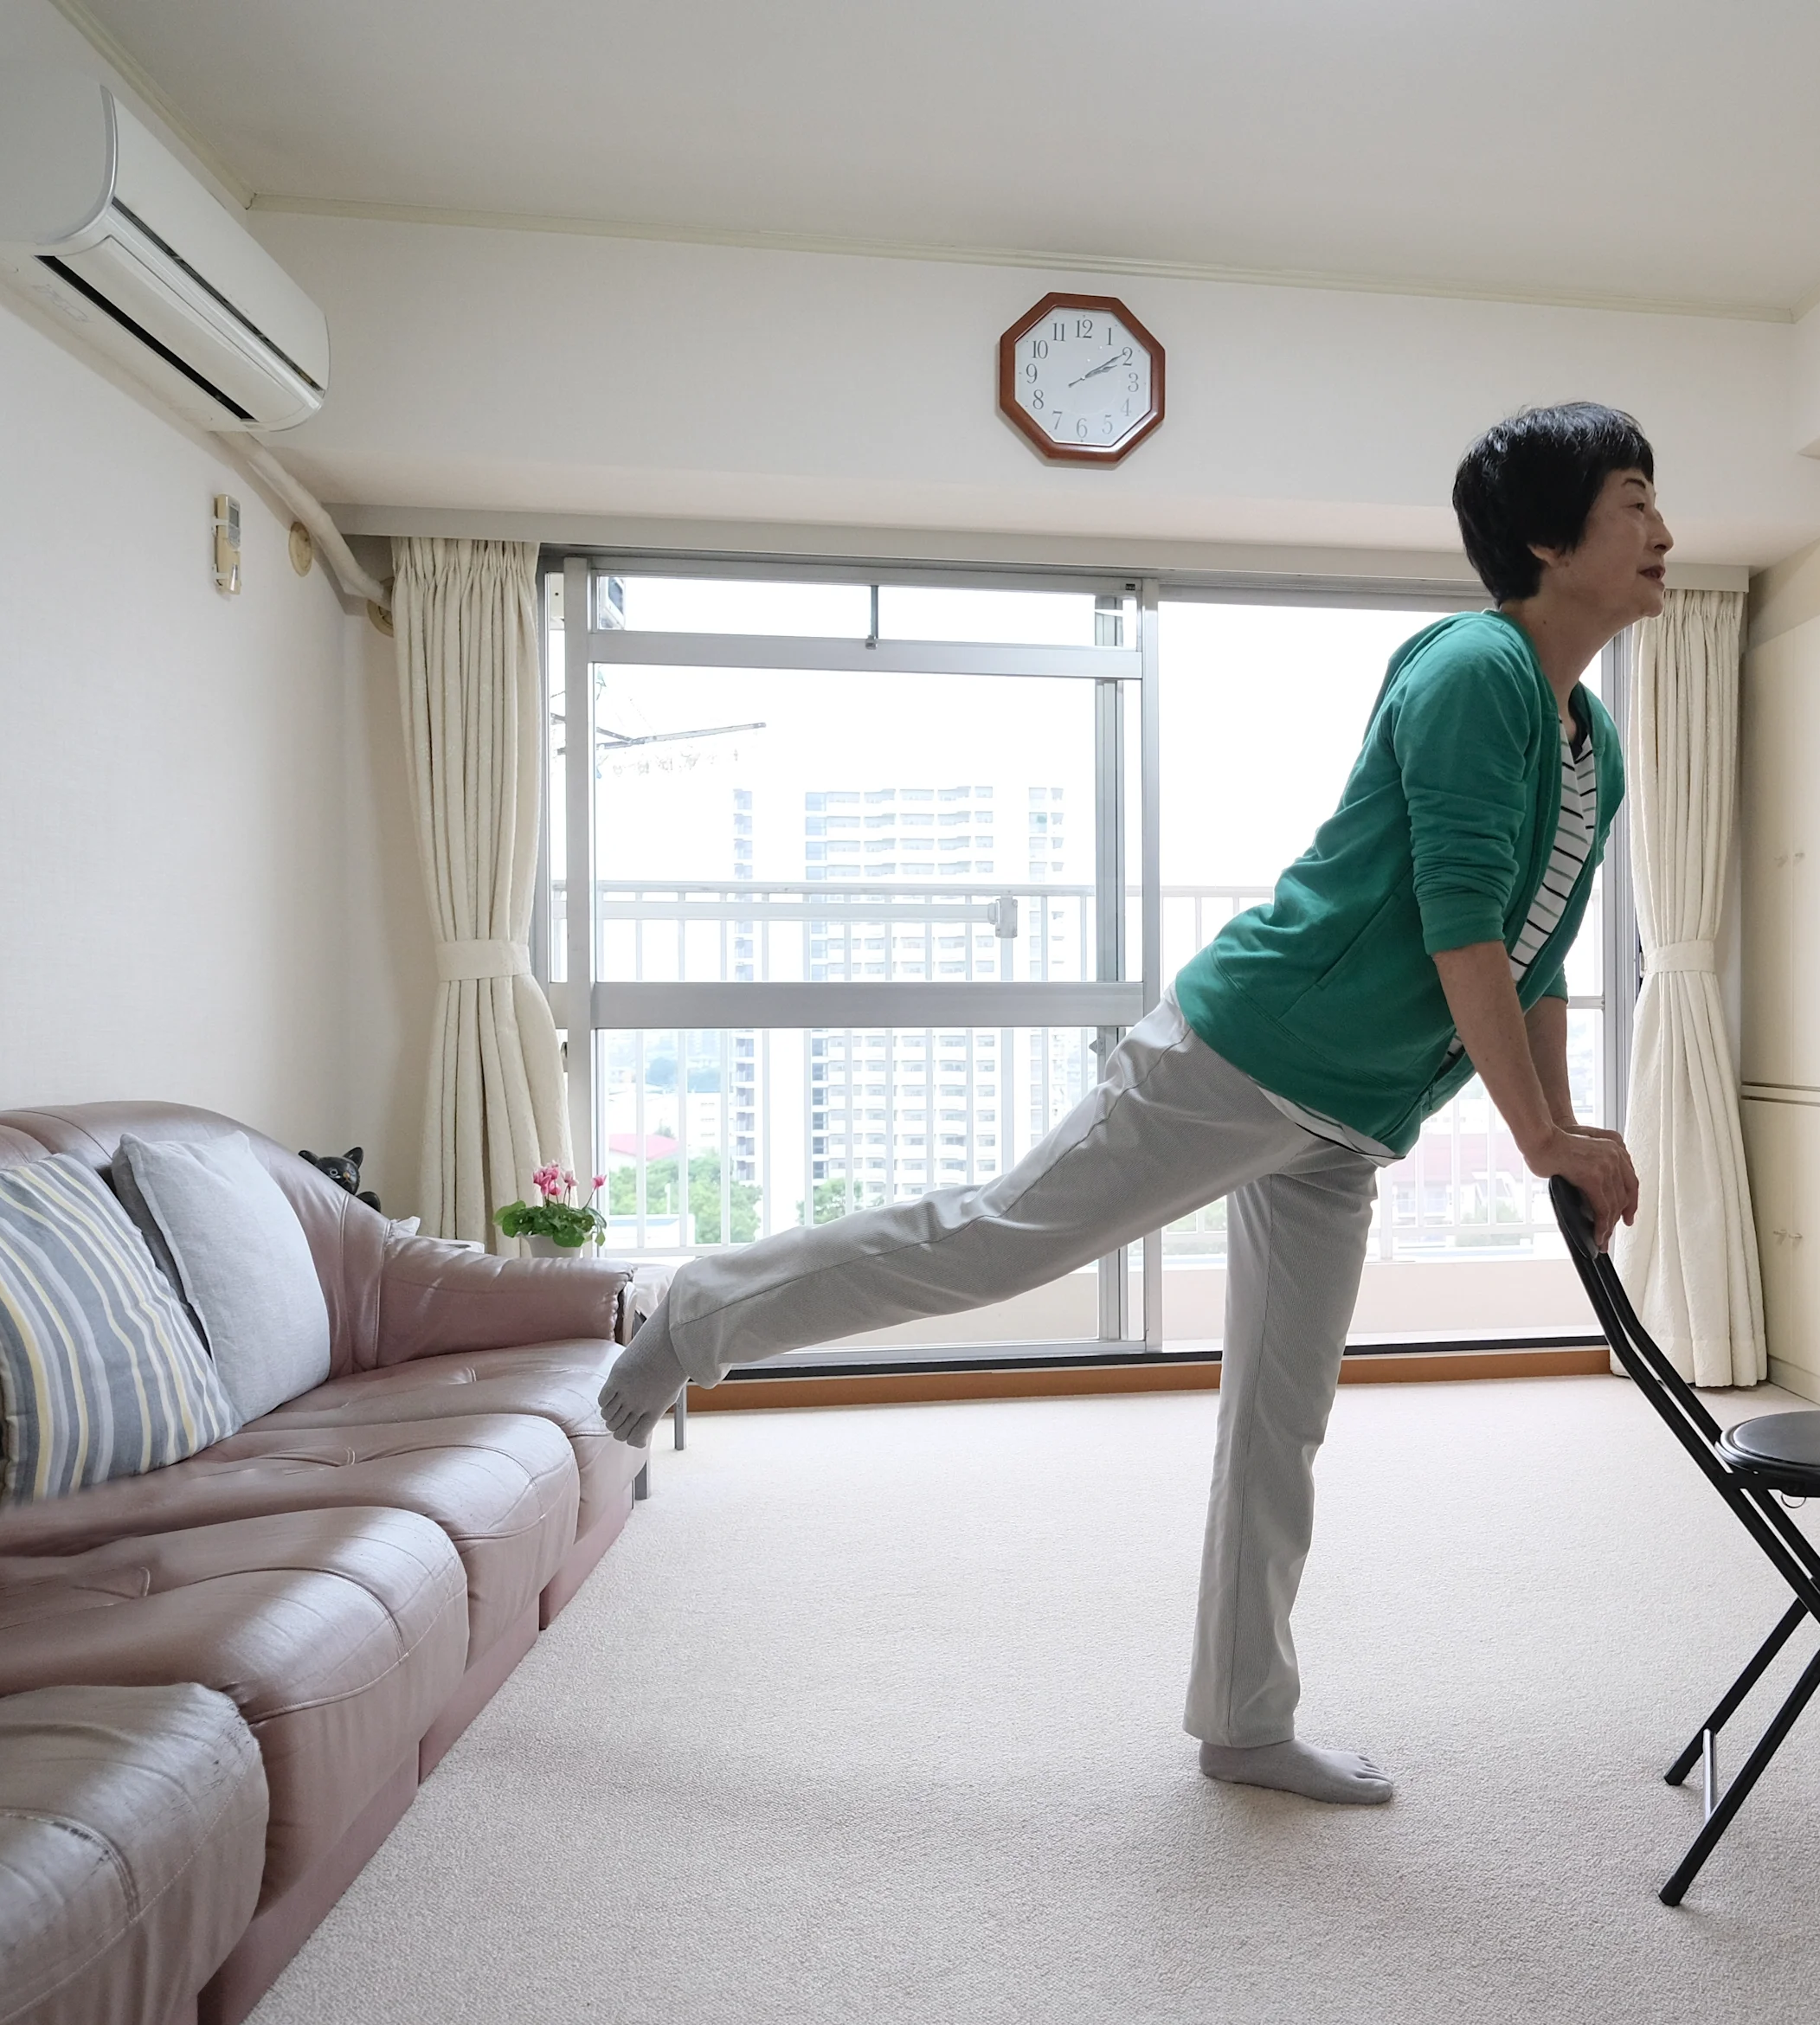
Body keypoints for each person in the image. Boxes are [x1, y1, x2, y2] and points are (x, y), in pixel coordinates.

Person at [597, 401, 1668, 1803]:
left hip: (1345, 1118)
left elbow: (1539, 959)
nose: (1663, 530)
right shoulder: (1478, 667)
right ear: (1547, 534)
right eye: (1634, 499)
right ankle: (696, 1310)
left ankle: (1244, 1717)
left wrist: (1567, 1136)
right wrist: (1540, 1135)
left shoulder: (1592, 738)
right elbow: (1457, 920)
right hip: (1245, 1052)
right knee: (997, 1239)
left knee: (1281, 1412)